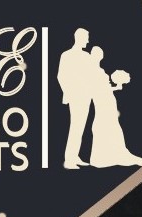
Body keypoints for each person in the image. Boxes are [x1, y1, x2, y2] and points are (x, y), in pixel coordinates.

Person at [85, 47, 142, 167]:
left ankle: (114, 153)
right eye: (98, 54)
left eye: (100, 54)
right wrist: (106, 89)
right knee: (103, 124)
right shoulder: (91, 71)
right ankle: (102, 157)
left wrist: (117, 86)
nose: (100, 57)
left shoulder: (100, 70)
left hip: (108, 100)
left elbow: (104, 88)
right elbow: (94, 89)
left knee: (112, 124)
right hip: (101, 100)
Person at [57, 29, 95, 169]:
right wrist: (70, 92)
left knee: (80, 127)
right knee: (75, 127)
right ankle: (69, 160)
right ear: (78, 37)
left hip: (86, 96)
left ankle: (75, 156)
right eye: (86, 38)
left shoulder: (87, 56)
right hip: (75, 97)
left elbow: (91, 75)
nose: (88, 41)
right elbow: (61, 76)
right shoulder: (67, 55)